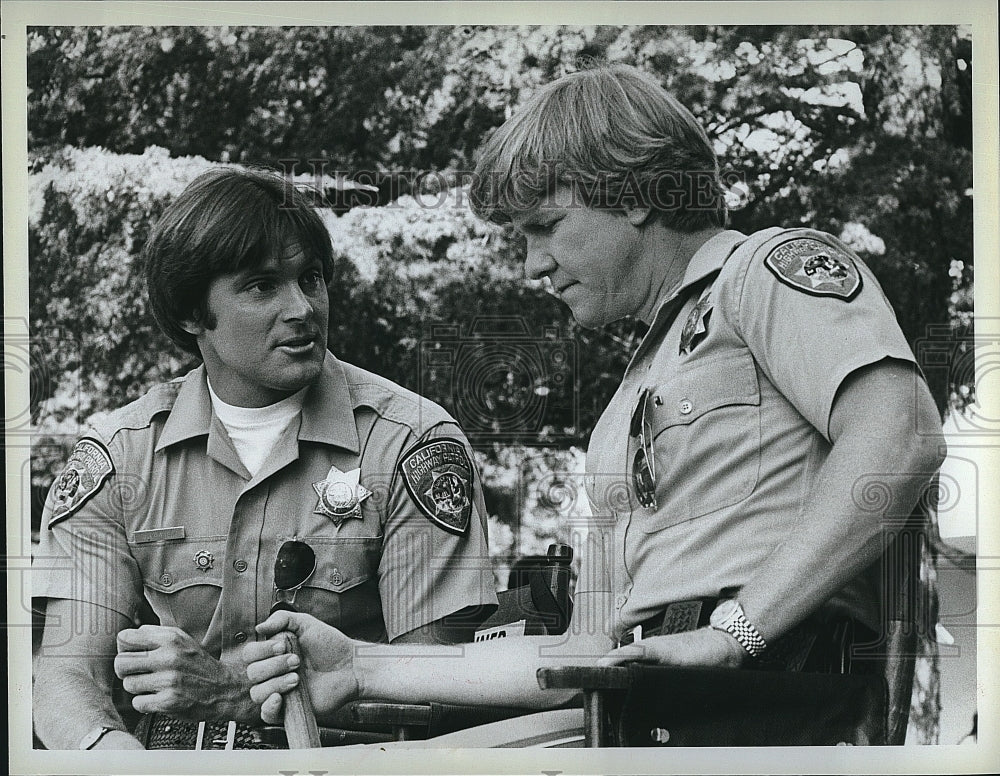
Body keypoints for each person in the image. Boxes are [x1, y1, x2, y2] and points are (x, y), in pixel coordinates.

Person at [243, 64, 946, 742]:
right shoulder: (623, 410)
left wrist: (734, 632)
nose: (532, 264)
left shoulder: (765, 272)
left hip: (765, 700)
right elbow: (584, 650)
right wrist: (362, 665)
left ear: (633, 193)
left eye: (544, 225)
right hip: (644, 703)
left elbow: (901, 435)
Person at [31, 168, 498, 750]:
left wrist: (237, 696)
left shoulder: (413, 446)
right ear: (190, 314)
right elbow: (67, 675)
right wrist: (112, 755)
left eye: (312, 279)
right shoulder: (121, 455)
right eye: (261, 287)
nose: (303, 307)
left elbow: (440, 693)